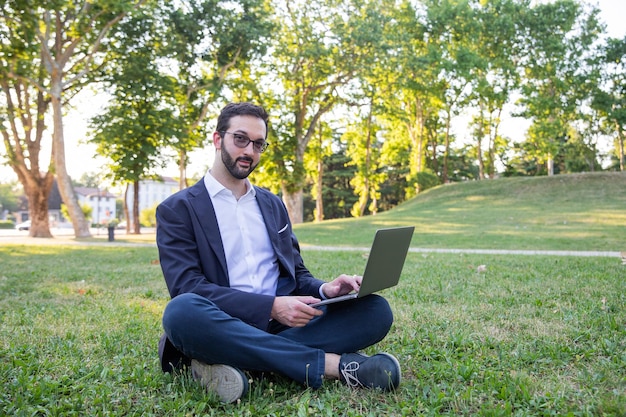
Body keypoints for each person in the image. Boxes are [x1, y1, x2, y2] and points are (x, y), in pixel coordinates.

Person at [156, 102, 400, 403]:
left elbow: (295, 274)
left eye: (258, 144)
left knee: (375, 310)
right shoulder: (177, 209)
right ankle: (338, 366)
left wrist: (327, 289)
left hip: (285, 325)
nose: (249, 151)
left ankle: (236, 361)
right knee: (181, 312)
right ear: (218, 139)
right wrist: (270, 306)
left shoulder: (271, 204)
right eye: (240, 139)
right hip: (220, 320)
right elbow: (187, 287)